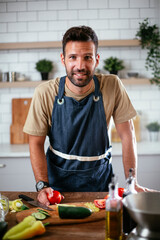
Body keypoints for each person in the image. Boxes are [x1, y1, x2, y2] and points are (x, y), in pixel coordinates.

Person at [23, 26, 150, 206]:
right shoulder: (45, 92)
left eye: (87, 57)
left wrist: (132, 182)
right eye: (73, 57)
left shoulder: (112, 85)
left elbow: (128, 135)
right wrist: (42, 185)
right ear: (63, 59)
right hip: (57, 189)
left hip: (100, 184)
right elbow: (35, 142)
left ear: (96, 59)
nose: (80, 66)